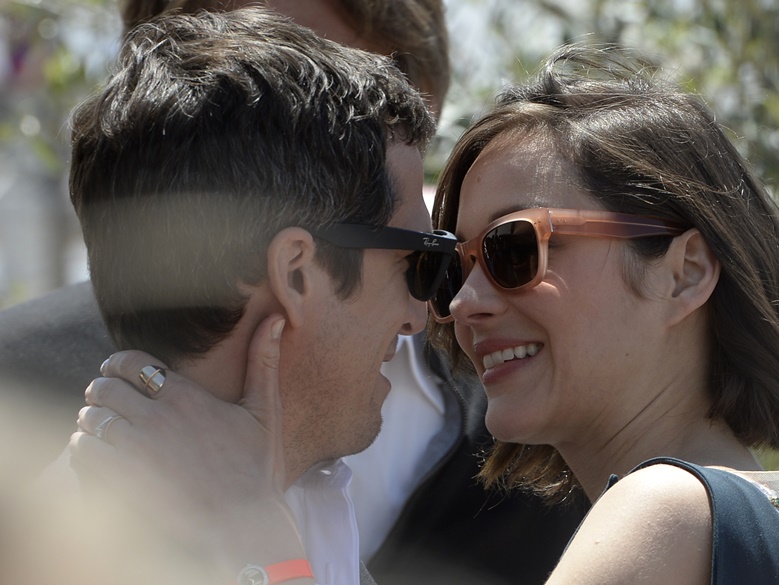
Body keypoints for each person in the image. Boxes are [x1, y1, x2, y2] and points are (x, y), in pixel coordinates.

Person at [77, 44, 779, 584]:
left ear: (684, 273)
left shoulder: (665, 514)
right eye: (449, 264)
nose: (459, 304)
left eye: (517, 250)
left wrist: (255, 538)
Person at [2, 1, 585, 583]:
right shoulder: (83, 553)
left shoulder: (300, 498)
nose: (421, 314)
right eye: (416, 260)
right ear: (297, 272)